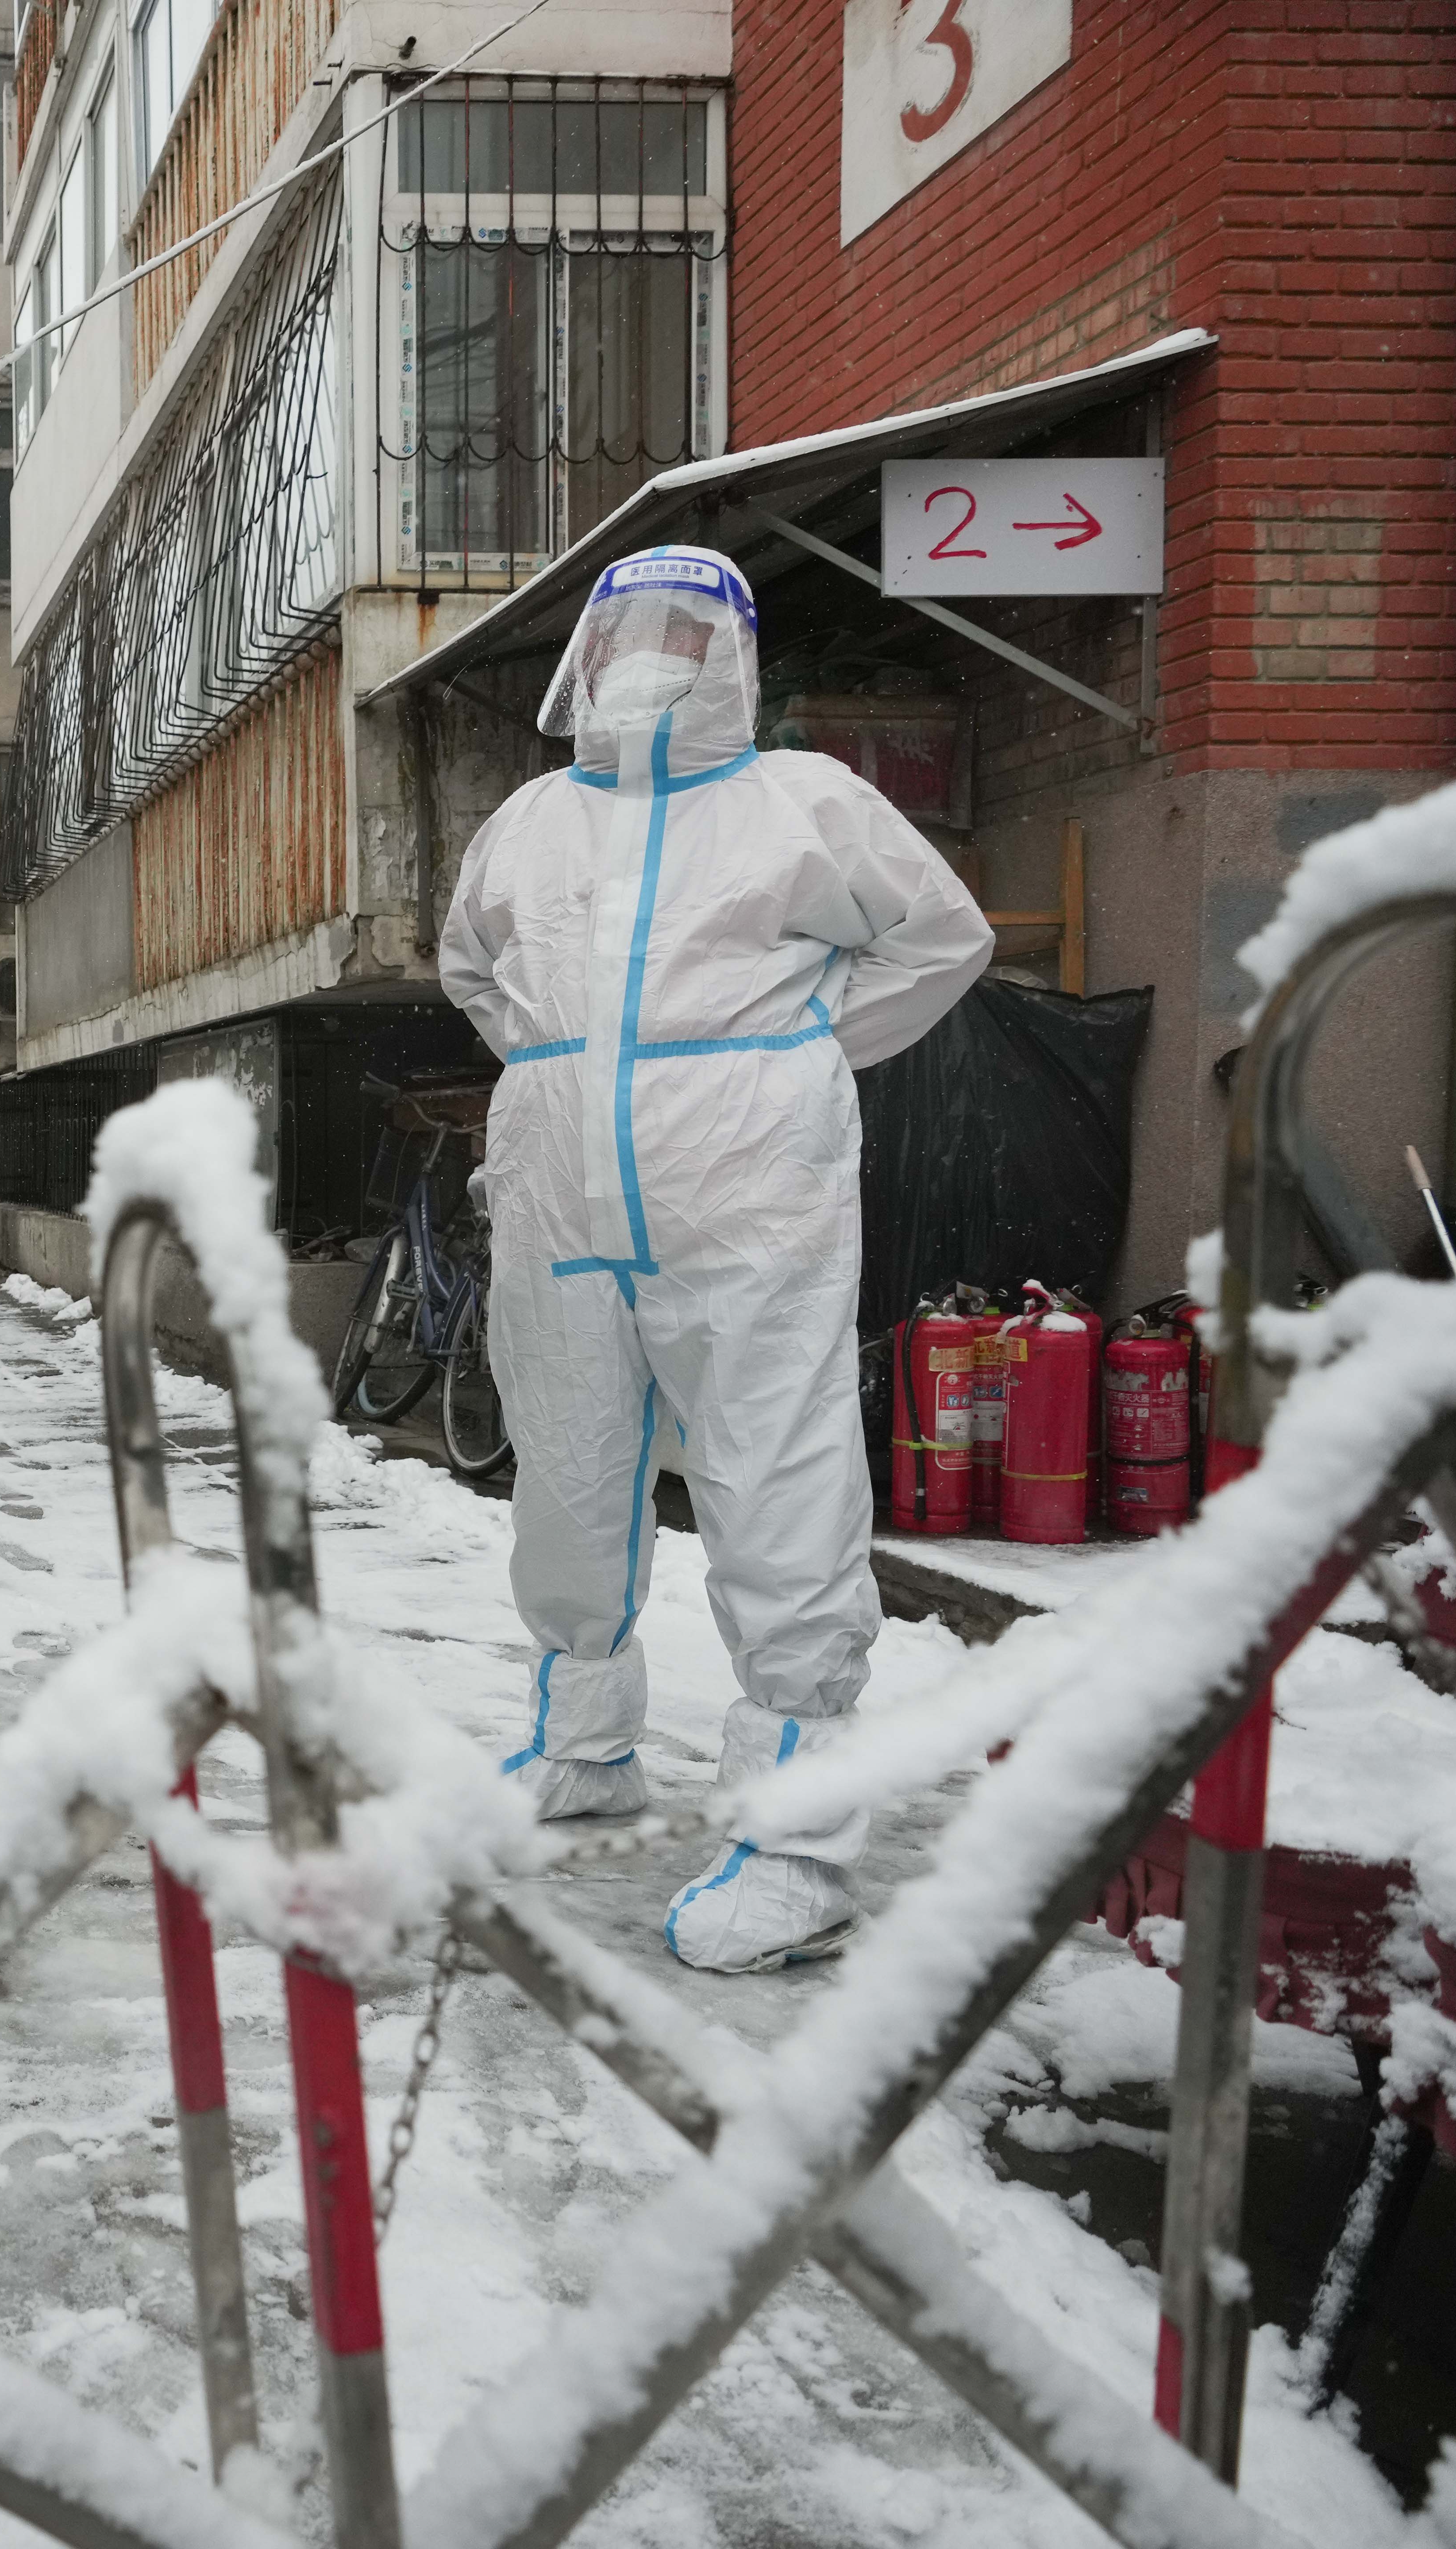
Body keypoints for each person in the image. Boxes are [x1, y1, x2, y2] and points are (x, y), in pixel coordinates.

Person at [438, 547, 991, 1973]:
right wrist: (564, 1075)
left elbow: (942, 941)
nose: (650, 652)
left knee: (777, 1480)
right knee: (564, 1472)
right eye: (626, 626)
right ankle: (584, 1745)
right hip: (563, 1200)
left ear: (734, 655)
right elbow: (470, 970)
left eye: (686, 627)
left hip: (750, 1203)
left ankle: (799, 1844)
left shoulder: (803, 805)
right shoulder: (530, 820)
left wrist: (794, 1062)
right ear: (587, 648)